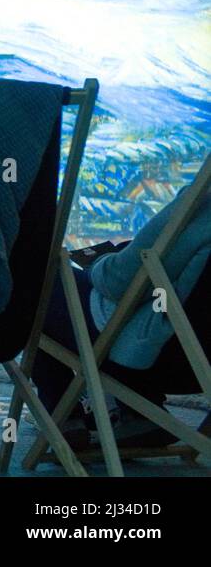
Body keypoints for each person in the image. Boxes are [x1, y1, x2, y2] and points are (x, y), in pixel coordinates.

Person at [31, 181, 211, 448]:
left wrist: (99, 265)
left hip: (165, 359)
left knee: (38, 283)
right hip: (200, 368)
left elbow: (121, 279)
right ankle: (138, 412)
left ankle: (65, 417)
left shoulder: (204, 202)